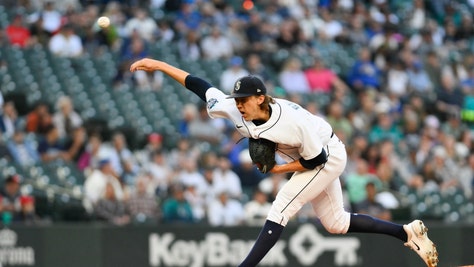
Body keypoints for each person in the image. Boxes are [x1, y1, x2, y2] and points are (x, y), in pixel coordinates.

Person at [129, 58, 439, 267]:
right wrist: (157, 65)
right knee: (336, 224)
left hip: (326, 153)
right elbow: (198, 83)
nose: (239, 105)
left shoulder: (290, 123)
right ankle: (407, 233)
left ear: (260, 98)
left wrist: (277, 170)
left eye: (245, 100)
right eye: (237, 100)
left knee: (281, 206)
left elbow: (316, 159)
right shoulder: (234, 108)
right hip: (306, 154)